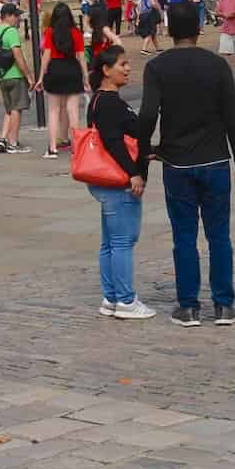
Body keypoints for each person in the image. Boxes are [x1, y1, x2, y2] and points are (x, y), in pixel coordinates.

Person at [137, 3, 235, 327]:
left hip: (178, 163)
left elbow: (147, 114)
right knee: (219, 235)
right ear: (199, 30)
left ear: (169, 30)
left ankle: (188, 306)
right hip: (215, 160)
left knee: (184, 237)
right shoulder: (216, 65)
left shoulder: (157, 67)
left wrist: (143, 154)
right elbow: (234, 116)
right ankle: (224, 304)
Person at [85, 45, 152, 319]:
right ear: (106, 70)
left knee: (111, 242)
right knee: (123, 241)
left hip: (105, 179)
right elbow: (114, 142)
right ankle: (125, 300)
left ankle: (111, 297)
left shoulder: (100, 99)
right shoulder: (110, 102)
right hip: (118, 180)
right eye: (122, 64)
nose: (128, 68)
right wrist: (133, 173)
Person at [35, 2, 86, 159]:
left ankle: (52, 148)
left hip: (55, 70)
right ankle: (76, 147)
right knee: (73, 110)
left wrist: (41, 77)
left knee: (53, 110)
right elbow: (82, 56)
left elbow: (46, 55)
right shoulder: (76, 32)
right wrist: (86, 77)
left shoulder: (50, 32)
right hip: (72, 69)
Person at [0, 3, 30, 154]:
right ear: (9, 16)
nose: (18, 18)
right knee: (17, 109)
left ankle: (3, 138)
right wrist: (29, 76)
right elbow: (17, 55)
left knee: (9, 109)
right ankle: (13, 142)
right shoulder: (11, 32)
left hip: (2, 75)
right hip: (15, 74)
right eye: (16, 15)